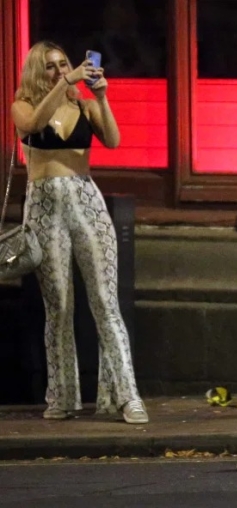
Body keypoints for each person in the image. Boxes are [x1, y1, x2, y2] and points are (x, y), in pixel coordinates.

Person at [11, 41, 148, 423]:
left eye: (64, 65)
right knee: (59, 306)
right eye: (51, 67)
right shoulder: (23, 105)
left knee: (105, 301)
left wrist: (100, 97)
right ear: (38, 72)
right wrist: (63, 84)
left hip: (86, 200)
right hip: (43, 206)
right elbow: (32, 124)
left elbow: (114, 140)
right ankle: (62, 397)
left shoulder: (82, 106)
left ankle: (127, 396)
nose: (60, 72)